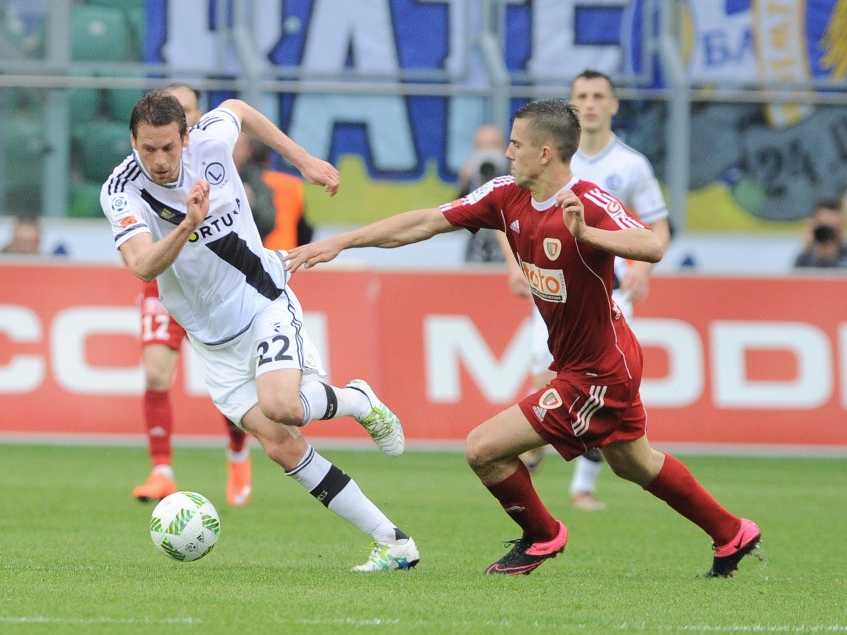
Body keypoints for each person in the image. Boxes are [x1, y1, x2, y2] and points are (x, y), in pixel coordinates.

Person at [284, 98, 760, 578]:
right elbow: (425, 221)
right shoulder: (506, 195)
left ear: (547, 152)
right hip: (587, 360)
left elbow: (652, 245)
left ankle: (543, 535)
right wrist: (341, 242)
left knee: (483, 449)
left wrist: (589, 236)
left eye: (516, 144)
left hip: (600, 370)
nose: (508, 153)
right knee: (635, 463)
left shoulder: (588, 202)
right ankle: (731, 533)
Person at [101, 89, 420, 572]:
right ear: (133, 141)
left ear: (187, 138)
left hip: (263, 299)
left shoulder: (210, 141)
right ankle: (393, 541)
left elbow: (238, 109)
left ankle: (356, 399)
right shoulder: (121, 190)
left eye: (168, 147)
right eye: (148, 149)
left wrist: (304, 160)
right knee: (279, 443)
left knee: (283, 406)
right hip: (210, 338)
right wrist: (189, 222)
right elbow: (143, 266)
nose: (160, 160)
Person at [506, 69, 673, 512]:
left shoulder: (631, 164)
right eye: (581, 95)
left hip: (608, 293)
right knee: (551, 376)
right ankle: (547, 450)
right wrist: (515, 265)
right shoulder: (555, 159)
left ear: (614, 105)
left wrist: (643, 272)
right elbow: (512, 210)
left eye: (599, 95)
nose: (591, 103)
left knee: (598, 381)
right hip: (552, 288)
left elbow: (657, 225)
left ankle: (580, 484)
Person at [131, 83, 256, 508]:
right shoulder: (145, 167)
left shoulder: (218, 155)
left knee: (225, 382)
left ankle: (238, 450)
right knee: (155, 374)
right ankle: (162, 470)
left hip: (219, 283)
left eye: (185, 112)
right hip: (168, 281)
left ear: (194, 121)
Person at [248, 138, 315, 251]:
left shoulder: (247, 184)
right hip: (287, 253)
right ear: (269, 157)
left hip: (256, 253)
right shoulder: (294, 184)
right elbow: (306, 229)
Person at [459, 124, 511, 263]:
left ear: (505, 148)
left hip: (509, 257)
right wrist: (466, 184)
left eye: (493, 145)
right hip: (476, 254)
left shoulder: (516, 178)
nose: (487, 151)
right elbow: (455, 217)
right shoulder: (472, 178)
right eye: (481, 146)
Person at [793, 198, 847, 268]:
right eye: (823, 227)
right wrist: (808, 248)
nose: (827, 234)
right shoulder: (805, 258)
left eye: (833, 227)